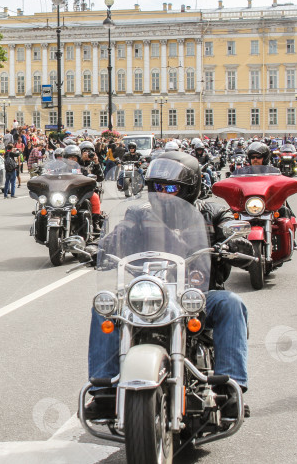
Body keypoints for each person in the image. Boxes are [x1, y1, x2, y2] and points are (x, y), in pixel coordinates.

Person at [85, 152, 251, 420]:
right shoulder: (138, 213)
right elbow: (119, 234)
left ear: (190, 187)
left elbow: (230, 224)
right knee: (105, 305)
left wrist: (235, 242)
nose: (162, 194)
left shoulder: (213, 211)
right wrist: (97, 247)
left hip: (197, 297)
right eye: (156, 187)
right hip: (149, 294)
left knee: (231, 303)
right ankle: (104, 391)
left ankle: (231, 388)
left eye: (170, 188)